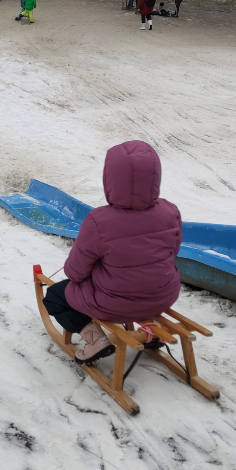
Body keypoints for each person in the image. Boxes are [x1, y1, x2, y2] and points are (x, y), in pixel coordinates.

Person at [42, 141, 182, 364]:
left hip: (113, 304)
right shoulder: (170, 211)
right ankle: (151, 328)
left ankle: (95, 340)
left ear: (110, 178)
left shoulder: (99, 221)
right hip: (163, 296)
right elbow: (172, 253)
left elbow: (75, 273)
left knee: (55, 297)